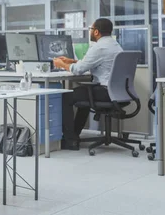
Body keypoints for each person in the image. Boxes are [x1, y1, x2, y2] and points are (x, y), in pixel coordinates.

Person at [52, 18, 122, 150]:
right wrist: (71, 60)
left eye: (91, 29)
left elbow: (78, 70)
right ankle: (75, 135)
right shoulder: (115, 45)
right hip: (117, 92)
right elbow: (96, 63)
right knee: (82, 94)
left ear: (96, 31)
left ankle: (70, 140)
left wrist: (61, 64)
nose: (90, 32)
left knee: (65, 97)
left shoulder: (99, 47)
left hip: (105, 91)